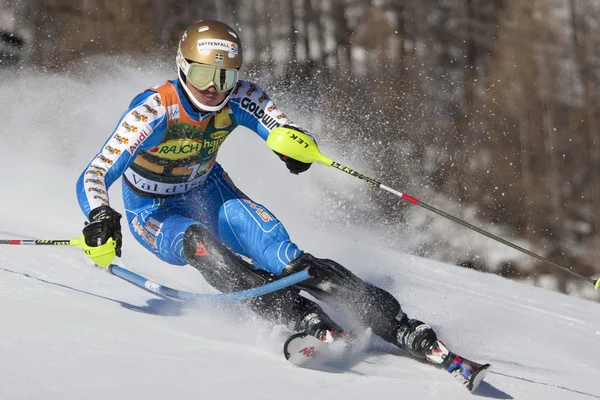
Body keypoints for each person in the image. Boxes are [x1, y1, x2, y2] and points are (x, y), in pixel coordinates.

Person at [76, 20, 438, 359]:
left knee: (285, 257)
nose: (213, 88)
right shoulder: (154, 110)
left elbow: (282, 129)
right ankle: (299, 313)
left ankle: (397, 324)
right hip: (153, 210)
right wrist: (100, 215)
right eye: (202, 74)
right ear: (182, 67)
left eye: (225, 76)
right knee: (202, 246)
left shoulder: (242, 96)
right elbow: (95, 172)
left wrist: (296, 149)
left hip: (208, 190)